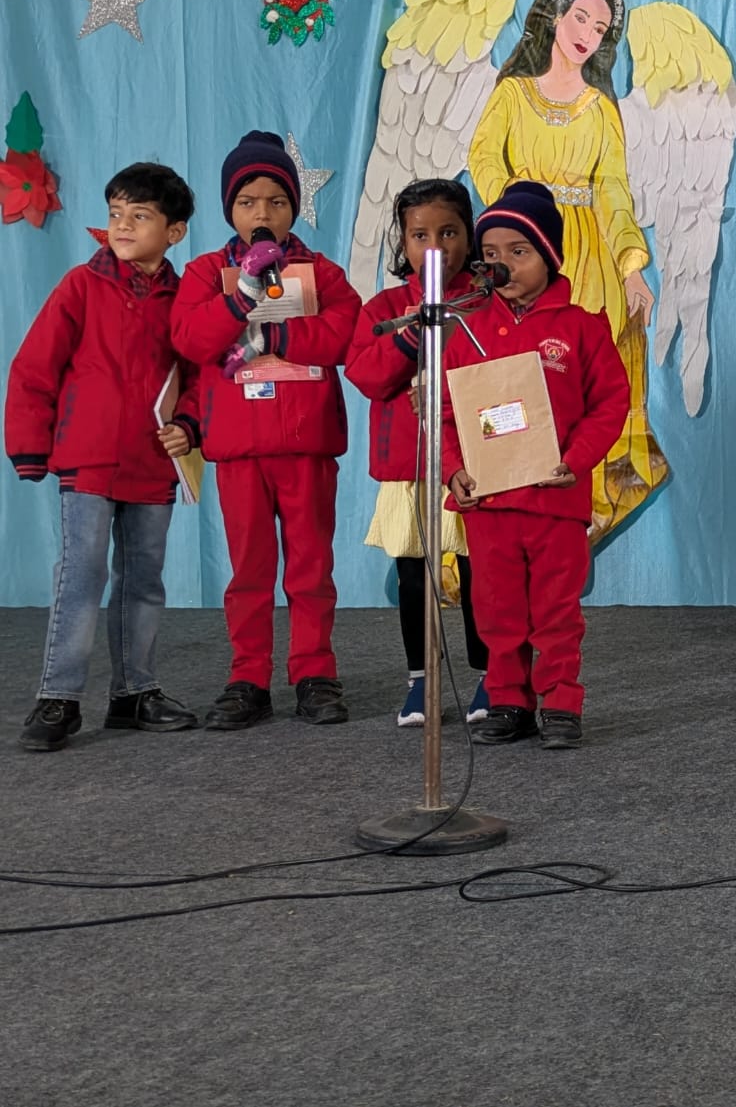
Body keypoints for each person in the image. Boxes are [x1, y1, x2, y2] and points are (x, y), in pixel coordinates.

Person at [170, 131, 362, 730]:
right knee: (249, 572)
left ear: (293, 209)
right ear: (230, 209)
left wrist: (277, 335)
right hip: (240, 449)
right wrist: (240, 300)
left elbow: (347, 333)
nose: (263, 213)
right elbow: (190, 338)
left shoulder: (319, 271)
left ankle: (314, 673)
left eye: (277, 201)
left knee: (311, 570)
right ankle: (248, 678)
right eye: (248, 201)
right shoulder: (207, 272)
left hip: (307, 447)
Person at [5, 163, 200, 751]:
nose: (123, 226)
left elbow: (199, 376)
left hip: (152, 464)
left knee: (143, 581)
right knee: (81, 576)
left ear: (175, 232)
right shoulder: (80, 286)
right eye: (116, 214)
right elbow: (34, 366)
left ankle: (134, 693)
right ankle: (58, 698)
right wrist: (29, 446)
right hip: (87, 460)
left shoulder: (187, 299)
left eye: (140, 216)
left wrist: (189, 425)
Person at [467, 0, 660, 543]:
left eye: (600, 29)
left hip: (588, 257)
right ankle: (511, 493)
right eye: (581, 18)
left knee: (580, 374)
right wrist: (516, 218)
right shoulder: (512, 95)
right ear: (555, 17)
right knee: (520, 372)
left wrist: (632, 266)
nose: (587, 34)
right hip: (525, 246)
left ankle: (579, 498)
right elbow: (485, 159)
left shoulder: (600, 109)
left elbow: (613, 190)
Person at [441, 182, 628, 749]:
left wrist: (577, 459)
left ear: (549, 256)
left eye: (518, 252)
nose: (503, 264)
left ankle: (561, 702)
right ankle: (508, 700)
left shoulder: (581, 328)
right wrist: (454, 470)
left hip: (553, 499)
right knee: (496, 608)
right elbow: (446, 413)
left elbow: (610, 403)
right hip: (491, 503)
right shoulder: (466, 330)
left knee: (555, 609)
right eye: (491, 254)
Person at [345, 178, 491, 726]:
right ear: (402, 242)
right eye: (420, 235)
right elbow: (366, 374)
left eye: (449, 233)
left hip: (472, 463)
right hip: (409, 467)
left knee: (481, 572)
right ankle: (421, 680)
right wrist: (413, 335)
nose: (436, 247)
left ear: (469, 237)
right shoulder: (385, 308)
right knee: (414, 576)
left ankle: (492, 675)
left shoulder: (484, 303)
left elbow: (498, 373)